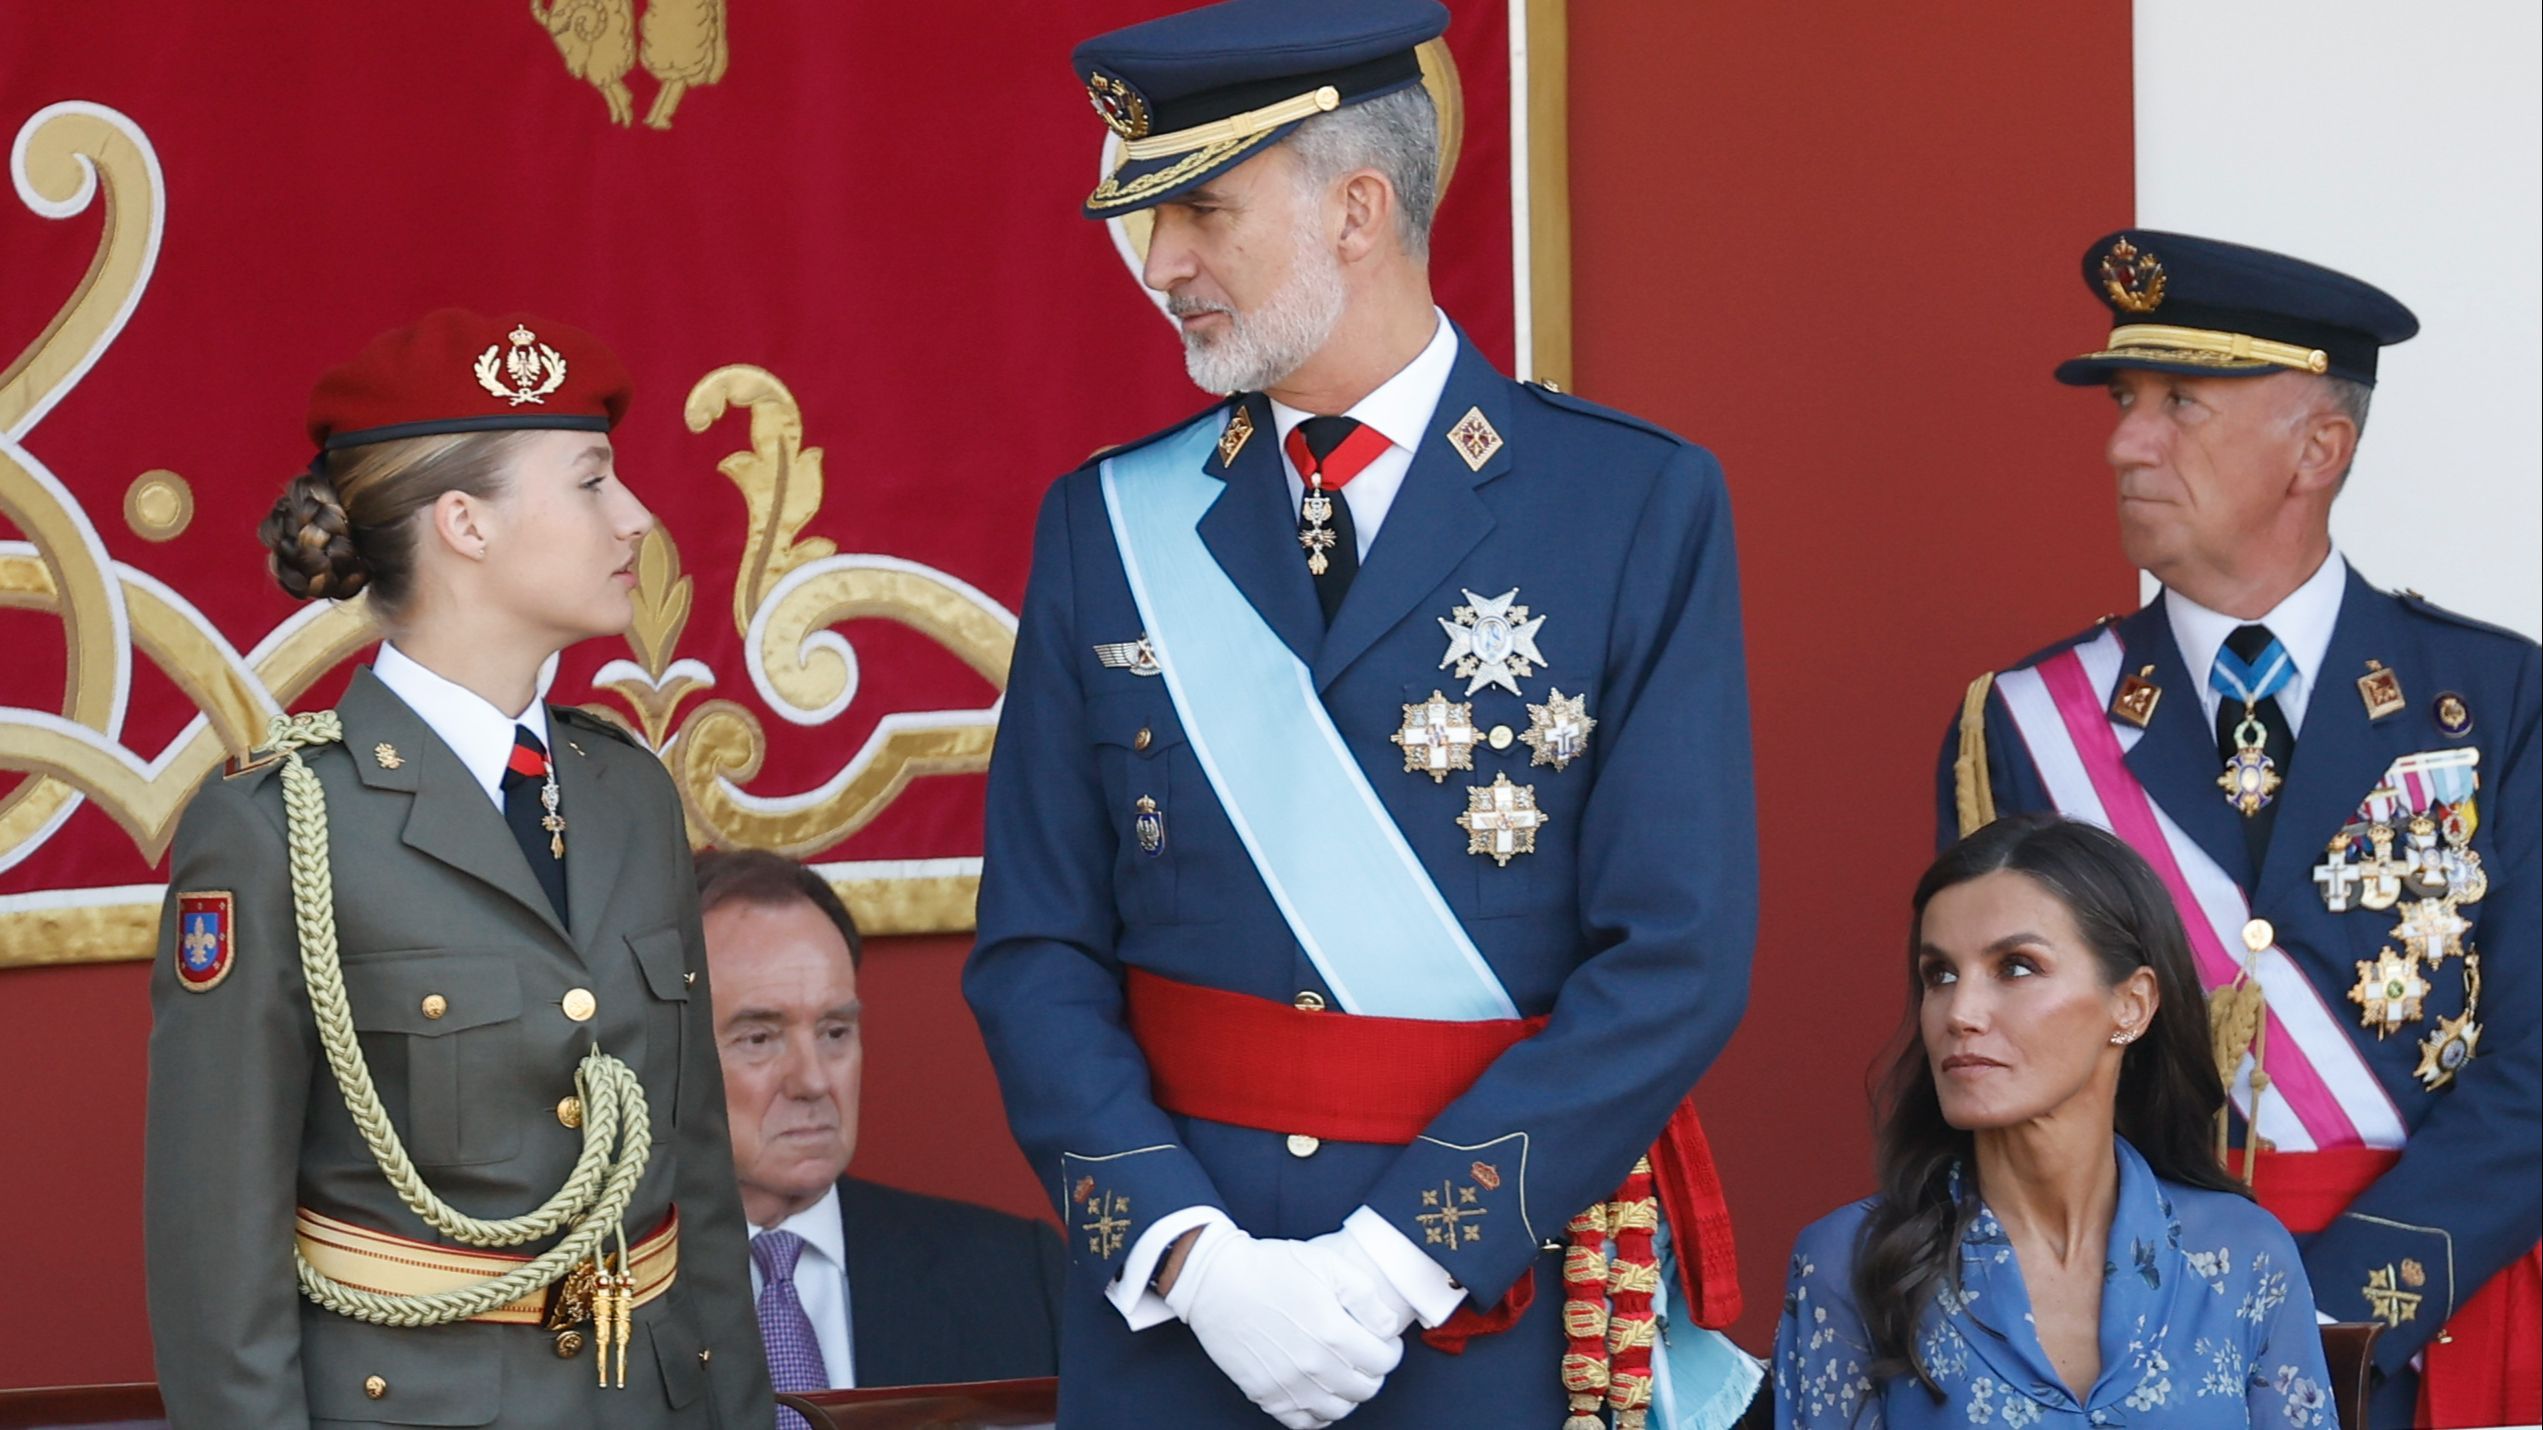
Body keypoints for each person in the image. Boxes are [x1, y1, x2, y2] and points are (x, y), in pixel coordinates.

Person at [964, 2, 1759, 1426]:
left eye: (1202, 208)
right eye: (1152, 218)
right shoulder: (1103, 523)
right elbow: (1036, 947)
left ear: (1356, 207)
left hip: (1485, 1316)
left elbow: (1675, 956)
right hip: (1177, 1330)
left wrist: (1399, 1262)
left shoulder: (1629, 505)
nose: (1162, 265)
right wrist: (1192, 1259)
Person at [1939, 232, 2539, 1428]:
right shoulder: (2024, 720)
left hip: (2428, 1321)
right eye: (2123, 402)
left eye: (2179, 405)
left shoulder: (2491, 699)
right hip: (2121, 1338)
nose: (2123, 441)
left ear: (2318, 448)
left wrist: (2331, 1311)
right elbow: (1991, 1055)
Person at [143, 309, 771, 1427]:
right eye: (589, 481)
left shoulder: (628, 791)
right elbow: (216, 1264)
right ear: (465, 522)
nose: (634, 517)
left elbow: (698, 1197)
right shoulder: (279, 823)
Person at [1776, 814, 2337, 1428]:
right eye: (1939, 974)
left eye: (2016, 966)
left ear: (2132, 1003)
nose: (1960, 1012)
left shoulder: (2243, 1254)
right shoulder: (1851, 1263)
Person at [693, 848, 1062, 1406]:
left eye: (835, 1032)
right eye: (759, 1038)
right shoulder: (589, 1294)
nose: (813, 1081)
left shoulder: (1019, 1279)